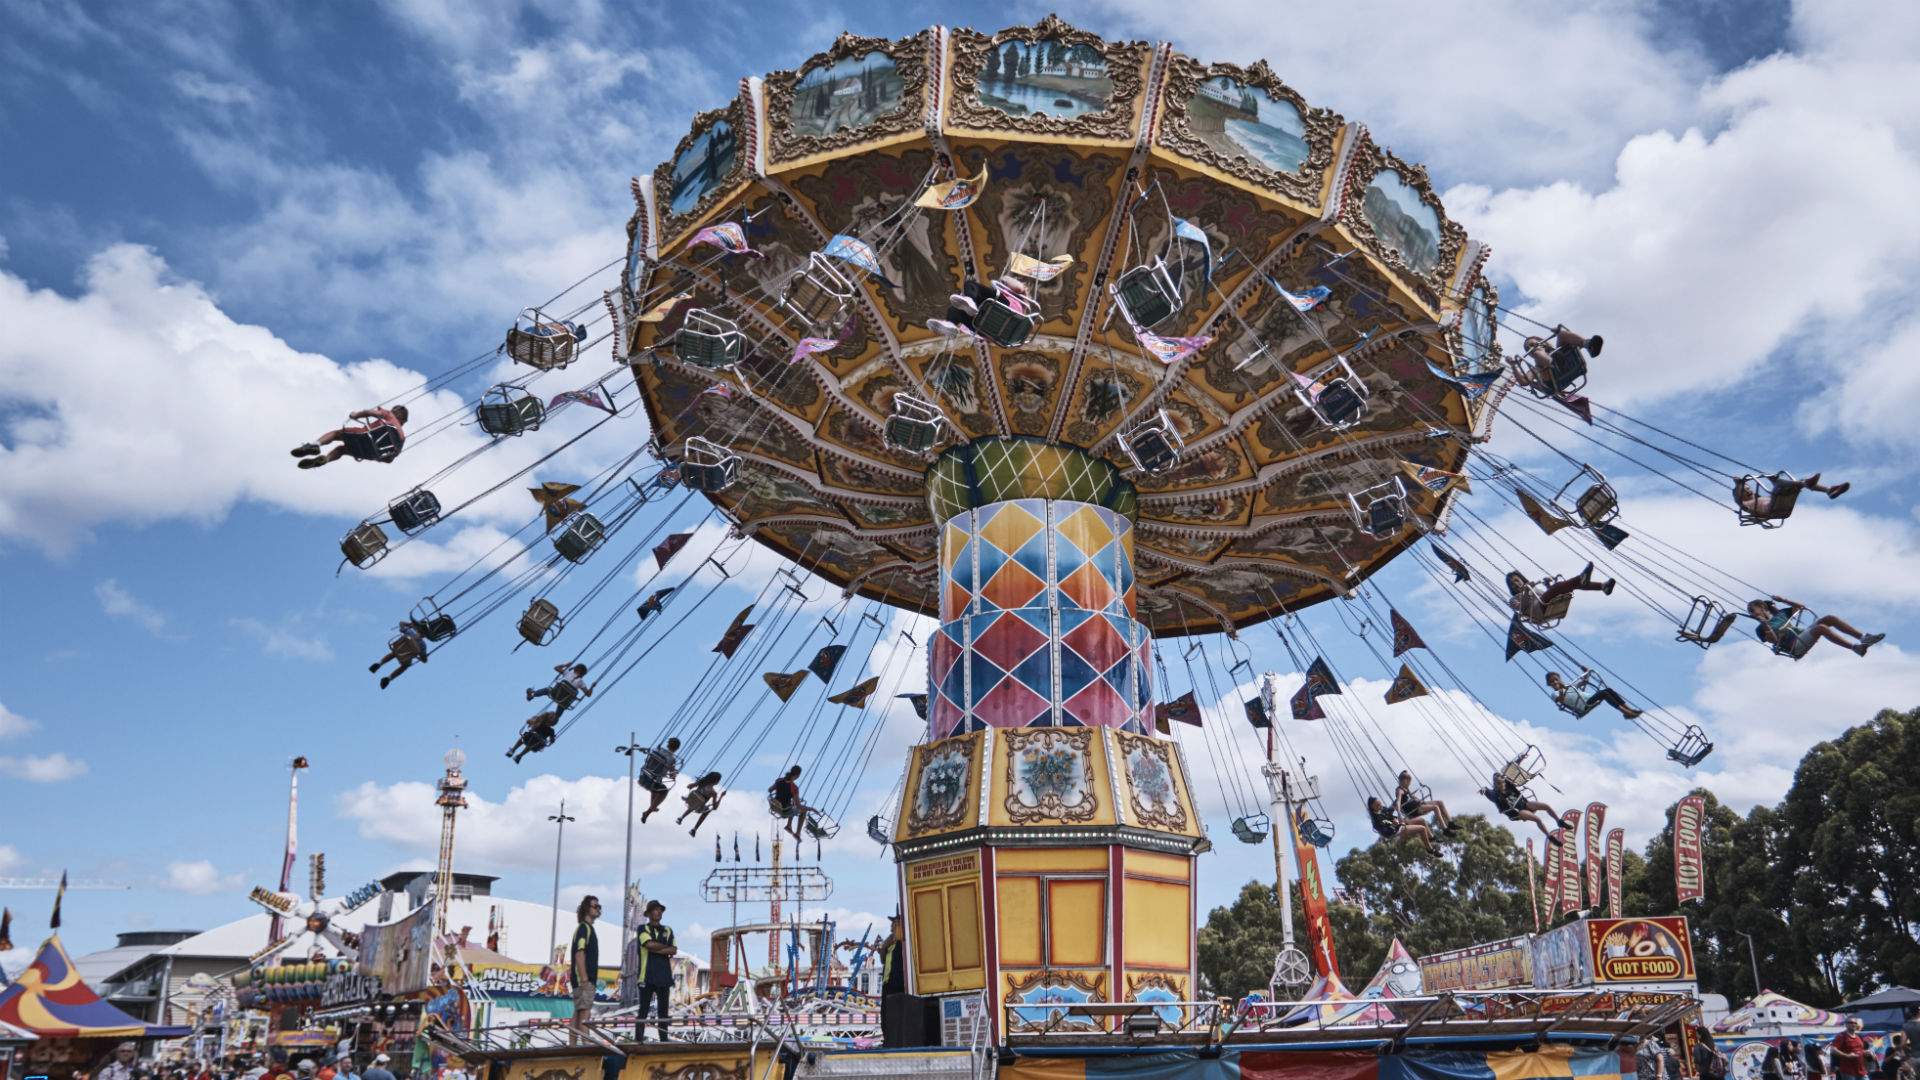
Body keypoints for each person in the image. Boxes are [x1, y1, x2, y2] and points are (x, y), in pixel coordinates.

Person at [1706, 597, 1884, 659]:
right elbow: (1773, 641)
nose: (1752, 614)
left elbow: (1799, 606)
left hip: (1801, 635)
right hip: (1794, 645)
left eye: (1753, 610)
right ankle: (1855, 648)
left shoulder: (1781, 614)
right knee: (1821, 627)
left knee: (1829, 618)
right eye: (1750, 612)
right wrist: (1766, 625)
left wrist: (1782, 600)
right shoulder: (1760, 629)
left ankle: (1863, 638)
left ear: (1762, 607)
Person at [292, 405, 409, 469]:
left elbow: (372, 413)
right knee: (342, 450)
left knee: (336, 434)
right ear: (403, 420)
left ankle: (314, 445)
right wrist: (375, 456)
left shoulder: (390, 416)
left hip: (364, 437)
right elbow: (390, 459)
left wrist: (356, 415)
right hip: (370, 453)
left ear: (395, 412)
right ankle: (325, 460)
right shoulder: (402, 438)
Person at [1507, 564, 1614, 625]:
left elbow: (1549, 595)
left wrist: (1548, 585)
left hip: (1546, 605)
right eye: (1512, 584)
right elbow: (1522, 608)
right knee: (1561, 586)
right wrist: (1526, 591)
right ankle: (1580, 578)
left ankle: (1602, 586)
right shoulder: (1513, 599)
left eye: (1516, 580)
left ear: (1521, 579)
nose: (1515, 584)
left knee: (1567, 586)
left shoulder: (1533, 588)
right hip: (1537, 612)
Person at [1517, 325, 1602, 397]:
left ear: (1543, 342)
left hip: (1566, 366)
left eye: (1533, 344)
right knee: (1539, 355)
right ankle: (1548, 362)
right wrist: (1514, 365)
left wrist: (1558, 332)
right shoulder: (1535, 368)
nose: (1533, 347)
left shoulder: (1559, 350)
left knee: (1561, 335)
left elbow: (1572, 345)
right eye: (1529, 347)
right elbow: (1524, 382)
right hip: (1554, 382)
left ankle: (1589, 345)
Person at [634, 899, 676, 1043]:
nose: (658, 912)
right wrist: (664, 949)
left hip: (664, 976)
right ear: (649, 913)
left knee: (663, 1012)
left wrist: (656, 948)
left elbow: (674, 949)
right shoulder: (642, 928)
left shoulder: (668, 930)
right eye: (655, 909)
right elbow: (648, 944)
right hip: (646, 975)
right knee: (643, 1010)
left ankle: (663, 1039)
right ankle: (638, 1039)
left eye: (660, 910)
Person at [1480, 764, 1561, 837]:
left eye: (1503, 783)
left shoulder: (1508, 783)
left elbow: (1512, 768)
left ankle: (1559, 821)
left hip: (1524, 804)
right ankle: (1549, 836)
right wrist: (1483, 790)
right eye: (1500, 784)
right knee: (1537, 819)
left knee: (1546, 806)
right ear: (1497, 784)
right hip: (1516, 812)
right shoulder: (1495, 794)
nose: (1503, 785)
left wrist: (1521, 758)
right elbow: (1486, 790)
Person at [1735, 472, 1849, 522]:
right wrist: (1738, 484)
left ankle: (1828, 490)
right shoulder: (1746, 505)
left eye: (1748, 488)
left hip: (1780, 505)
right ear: (1740, 496)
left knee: (1796, 484)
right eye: (1744, 491)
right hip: (1772, 508)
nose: (1748, 490)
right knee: (1782, 486)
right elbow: (1739, 500)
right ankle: (1806, 484)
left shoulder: (1758, 498)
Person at [1546, 669, 1643, 719]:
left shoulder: (1569, 686)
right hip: (1583, 706)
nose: (1555, 682)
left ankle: (1628, 709)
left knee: (1608, 690)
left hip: (1589, 699)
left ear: (1559, 679)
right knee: (1603, 693)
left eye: (1556, 679)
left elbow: (1582, 682)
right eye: (1552, 681)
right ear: (1549, 684)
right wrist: (1562, 691)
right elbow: (1561, 701)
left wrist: (1586, 673)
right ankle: (1626, 713)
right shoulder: (1554, 694)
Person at [569, 895, 601, 1044]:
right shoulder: (584, 928)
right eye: (595, 906)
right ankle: (585, 1043)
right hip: (583, 978)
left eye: (599, 906)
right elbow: (579, 953)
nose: (598, 909)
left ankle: (573, 1045)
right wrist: (584, 978)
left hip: (581, 978)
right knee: (584, 1012)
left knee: (578, 1010)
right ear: (587, 908)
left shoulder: (586, 929)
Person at [878, 911, 910, 1048]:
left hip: (897, 984)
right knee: (885, 1016)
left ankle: (894, 1041)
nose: (891, 928)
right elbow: (883, 957)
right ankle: (887, 1040)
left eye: (895, 924)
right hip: (888, 984)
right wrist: (885, 945)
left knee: (894, 1016)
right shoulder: (891, 945)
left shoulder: (903, 945)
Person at [638, 738, 681, 823]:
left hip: (644, 776)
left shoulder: (657, 750)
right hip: (653, 782)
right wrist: (674, 773)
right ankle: (648, 811)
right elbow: (672, 775)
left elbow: (647, 761)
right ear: (677, 748)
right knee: (664, 791)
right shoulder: (672, 759)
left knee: (658, 785)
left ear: (668, 744)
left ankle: (652, 806)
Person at [1366, 795, 1433, 849]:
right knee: (1422, 829)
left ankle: (1431, 838)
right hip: (1395, 833)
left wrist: (1398, 799)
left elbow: (1390, 809)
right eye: (1378, 805)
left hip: (1400, 825)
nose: (1380, 806)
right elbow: (1385, 832)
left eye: (1380, 804)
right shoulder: (1376, 820)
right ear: (1372, 807)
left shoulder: (1382, 809)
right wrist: (1393, 824)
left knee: (1422, 820)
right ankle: (1430, 849)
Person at [678, 771, 723, 835]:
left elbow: (689, 786)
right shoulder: (713, 793)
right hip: (699, 806)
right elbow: (715, 807)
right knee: (707, 810)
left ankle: (681, 818)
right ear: (716, 781)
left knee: (695, 802)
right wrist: (721, 796)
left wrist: (694, 785)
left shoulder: (702, 783)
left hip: (690, 799)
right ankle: (694, 829)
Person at [769, 765, 808, 841]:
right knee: (803, 810)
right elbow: (798, 805)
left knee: (792, 804)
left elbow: (770, 790)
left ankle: (789, 826)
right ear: (797, 775)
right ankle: (797, 833)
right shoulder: (794, 787)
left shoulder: (779, 780)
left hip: (775, 806)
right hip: (784, 811)